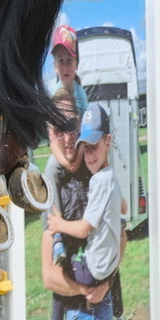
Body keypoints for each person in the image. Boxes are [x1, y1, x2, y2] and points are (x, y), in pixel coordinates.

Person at [41, 94, 121, 320]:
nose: (67, 138)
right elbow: (49, 277)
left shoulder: (97, 173)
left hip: (103, 301)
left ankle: (121, 315)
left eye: (71, 128)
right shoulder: (52, 184)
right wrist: (87, 290)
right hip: (76, 308)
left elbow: (122, 235)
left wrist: (105, 284)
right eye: (58, 130)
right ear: (51, 136)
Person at [49, 104, 124, 290]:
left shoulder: (98, 181)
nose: (89, 155)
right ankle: (120, 316)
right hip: (111, 262)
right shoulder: (111, 175)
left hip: (94, 269)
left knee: (64, 267)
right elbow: (124, 208)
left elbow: (83, 230)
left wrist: (59, 225)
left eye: (94, 146)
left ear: (108, 141)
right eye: (86, 148)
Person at [52, 24, 89, 114]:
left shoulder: (81, 94)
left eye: (69, 60)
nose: (65, 67)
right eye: (60, 60)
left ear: (76, 64)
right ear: (55, 66)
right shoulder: (52, 94)